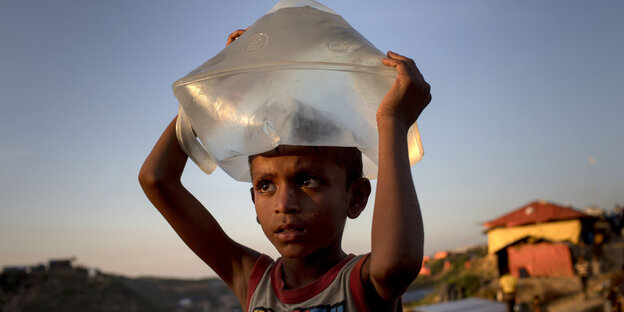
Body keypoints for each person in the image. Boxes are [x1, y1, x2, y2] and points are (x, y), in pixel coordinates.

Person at [139, 28, 431, 312]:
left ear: (355, 197)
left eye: (307, 181)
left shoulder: (361, 283)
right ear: (253, 200)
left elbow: (397, 263)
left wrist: (392, 120)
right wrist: (213, 94)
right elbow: (156, 179)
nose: (284, 204)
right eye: (266, 186)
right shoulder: (253, 282)